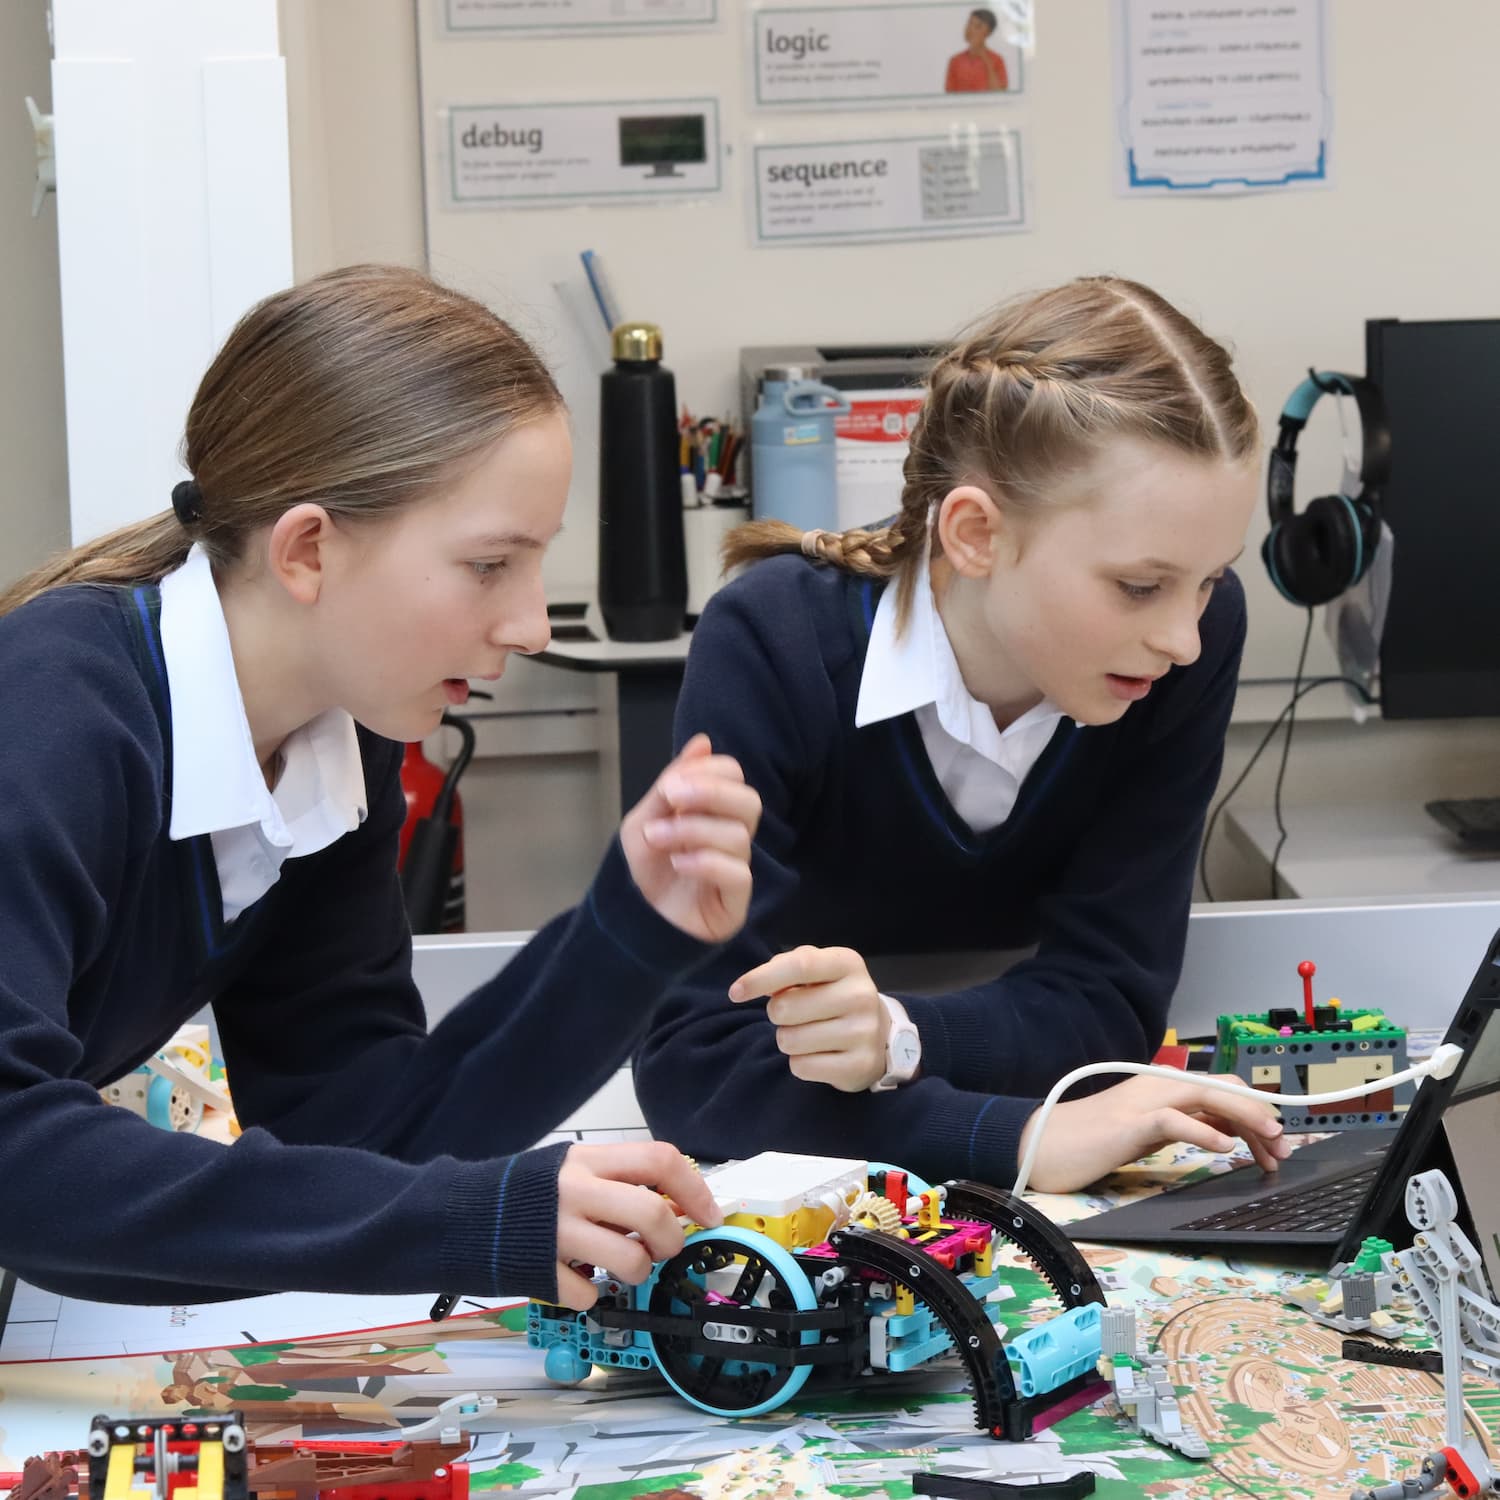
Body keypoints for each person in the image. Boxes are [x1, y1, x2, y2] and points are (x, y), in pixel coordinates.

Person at [0, 264, 762, 1312]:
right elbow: (18, 1158)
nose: (531, 624)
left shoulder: (332, 742)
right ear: (309, 550)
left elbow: (362, 1136)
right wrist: (461, 1221)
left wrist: (629, 932)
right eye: (491, 565)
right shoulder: (52, 712)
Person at [634, 275, 1290, 1195]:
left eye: (1211, 578)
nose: (1183, 637)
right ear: (976, 533)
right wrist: (1013, 1137)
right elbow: (697, 1064)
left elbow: (1109, 1003)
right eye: (1140, 587)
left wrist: (902, 1039)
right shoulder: (771, 642)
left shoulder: (1188, 644)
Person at [945, 8, 1010, 93]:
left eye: (978, 27)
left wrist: (987, 62)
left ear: (988, 32)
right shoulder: (955, 61)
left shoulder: (997, 60)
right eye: (969, 23)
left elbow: (1001, 94)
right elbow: (949, 95)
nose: (970, 29)